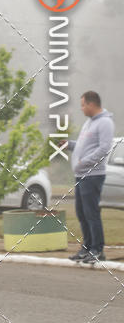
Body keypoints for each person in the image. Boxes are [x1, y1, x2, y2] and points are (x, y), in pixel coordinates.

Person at [68, 91, 114, 264]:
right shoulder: (89, 123)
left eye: (83, 105)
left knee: (91, 213)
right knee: (81, 213)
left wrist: (83, 162)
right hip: (81, 175)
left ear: (92, 104)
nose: (82, 108)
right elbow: (83, 146)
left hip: (93, 175)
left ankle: (97, 249)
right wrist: (70, 145)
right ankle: (86, 248)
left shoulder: (105, 123)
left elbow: (103, 149)